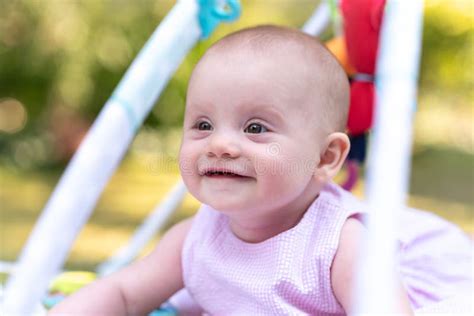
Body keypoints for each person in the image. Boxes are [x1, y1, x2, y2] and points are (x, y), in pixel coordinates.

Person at [50, 25, 472, 315]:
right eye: (202, 125)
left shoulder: (342, 246)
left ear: (325, 159)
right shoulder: (194, 239)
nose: (219, 143)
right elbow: (123, 294)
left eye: (255, 128)